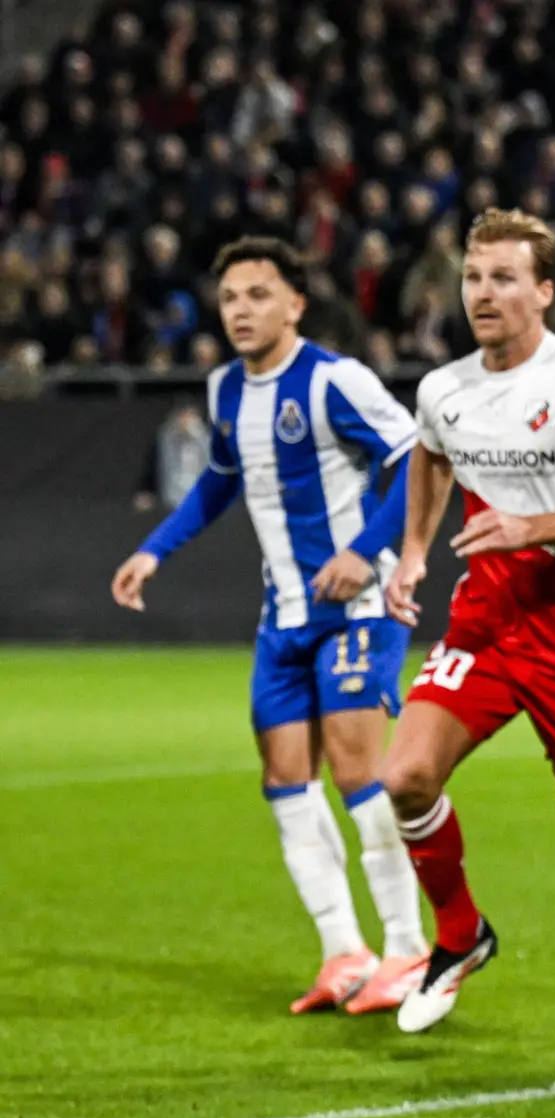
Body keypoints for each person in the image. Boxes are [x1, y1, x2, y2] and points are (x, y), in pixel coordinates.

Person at [110, 236, 428, 1016]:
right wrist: (153, 551)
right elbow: (220, 482)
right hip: (282, 615)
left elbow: (417, 455)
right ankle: (343, 951)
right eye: (229, 299)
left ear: (294, 303)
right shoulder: (226, 390)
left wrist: (366, 549)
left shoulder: (333, 380)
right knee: (286, 781)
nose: (241, 310)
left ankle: (409, 947)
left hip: (356, 607)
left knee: (359, 773)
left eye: (258, 294)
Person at [377, 209, 555, 1050]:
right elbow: (430, 453)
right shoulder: (445, 389)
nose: (484, 293)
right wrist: (413, 555)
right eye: (473, 278)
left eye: (504, 278)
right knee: (406, 776)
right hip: (488, 620)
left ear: (544, 291)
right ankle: (459, 933)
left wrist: (529, 528)